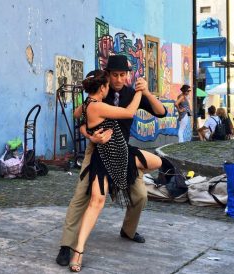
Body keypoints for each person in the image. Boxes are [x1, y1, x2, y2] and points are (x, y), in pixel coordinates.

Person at [56, 55, 167, 267]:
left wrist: (146, 92)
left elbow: (161, 112)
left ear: (128, 75)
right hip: (97, 150)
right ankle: (66, 245)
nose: (118, 79)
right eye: (114, 75)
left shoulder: (132, 94)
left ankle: (128, 230)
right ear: (107, 75)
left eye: (122, 75)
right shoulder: (100, 90)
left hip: (122, 151)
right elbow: (79, 117)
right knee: (82, 196)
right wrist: (90, 136)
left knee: (141, 196)